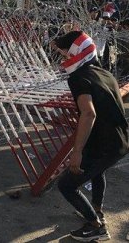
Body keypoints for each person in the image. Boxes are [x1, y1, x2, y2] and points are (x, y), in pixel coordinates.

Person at [51, 31, 128, 242]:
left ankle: (96, 227)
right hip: (119, 141)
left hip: (104, 145)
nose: (63, 58)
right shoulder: (105, 73)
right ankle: (96, 209)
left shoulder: (78, 78)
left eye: (65, 54)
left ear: (76, 53)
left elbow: (88, 113)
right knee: (97, 172)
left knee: (66, 185)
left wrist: (77, 152)